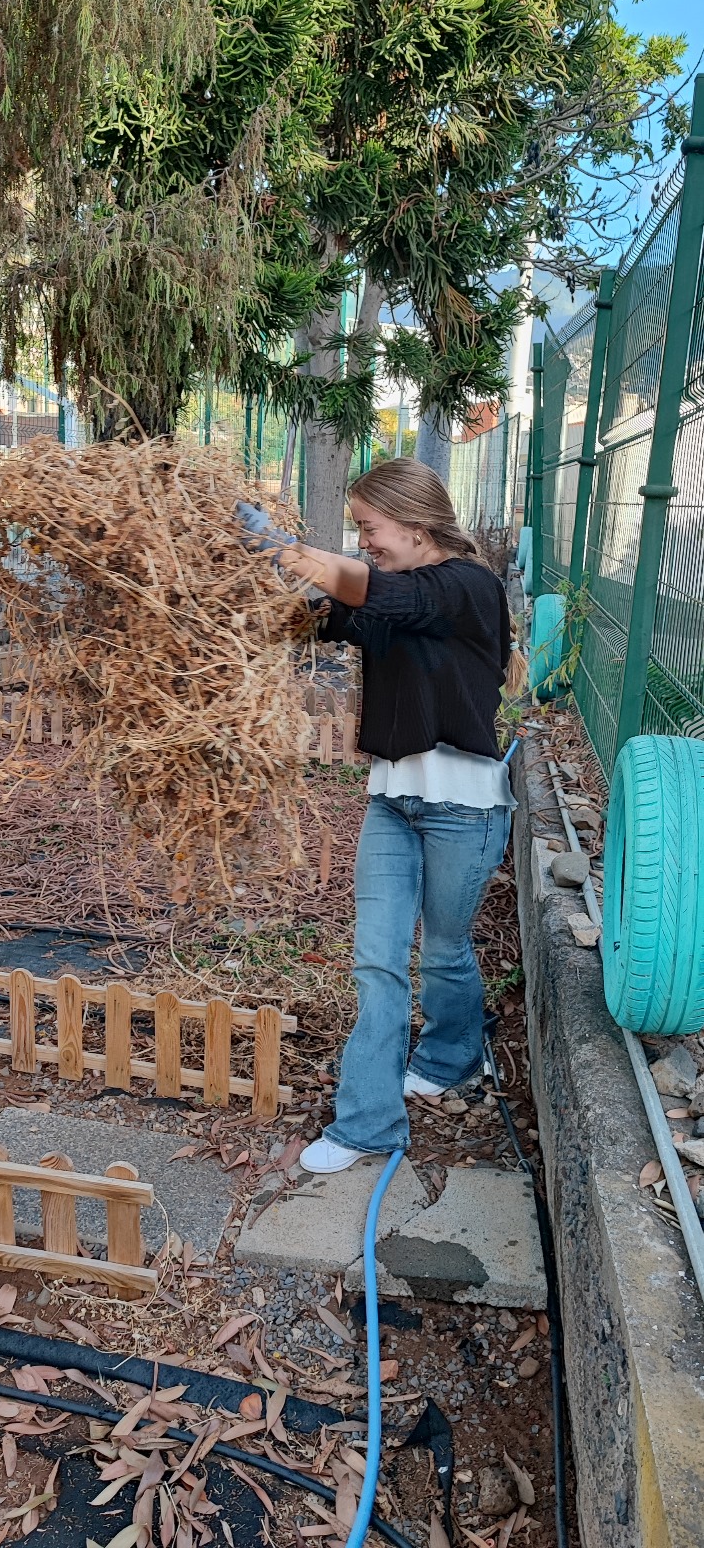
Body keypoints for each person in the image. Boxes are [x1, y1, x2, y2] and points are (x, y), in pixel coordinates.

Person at [236, 458, 527, 1174]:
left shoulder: (469, 587)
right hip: (391, 803)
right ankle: (368, 1123)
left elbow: (382, 594)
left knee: (445, 951)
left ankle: (452, 1055)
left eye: (370, 527)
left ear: (416, 523)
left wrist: (282, 547)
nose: (363, 540)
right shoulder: (395, 596)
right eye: (358, 530)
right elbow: (331, 614)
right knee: (377, 962)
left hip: (464, 809)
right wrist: (243, 587)